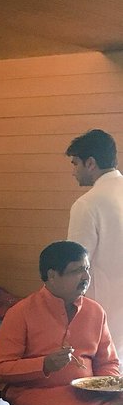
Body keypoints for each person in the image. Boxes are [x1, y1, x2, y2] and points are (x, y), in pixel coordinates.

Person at [0, 240, 123, 405]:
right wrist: (44, 364)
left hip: (84, 393)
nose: (85, 277)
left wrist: (105, 385)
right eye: (76, 271)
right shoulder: (21, 312)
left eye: (87, 269)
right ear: (52, 275)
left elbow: (108, 362)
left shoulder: (95, 311)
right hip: (35, 393)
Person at [66, 129, 123, 351]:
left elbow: (74, 268)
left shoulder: (88, 204)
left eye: (75, 164)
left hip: (103, 315)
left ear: (90, 163)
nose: (73, 172)